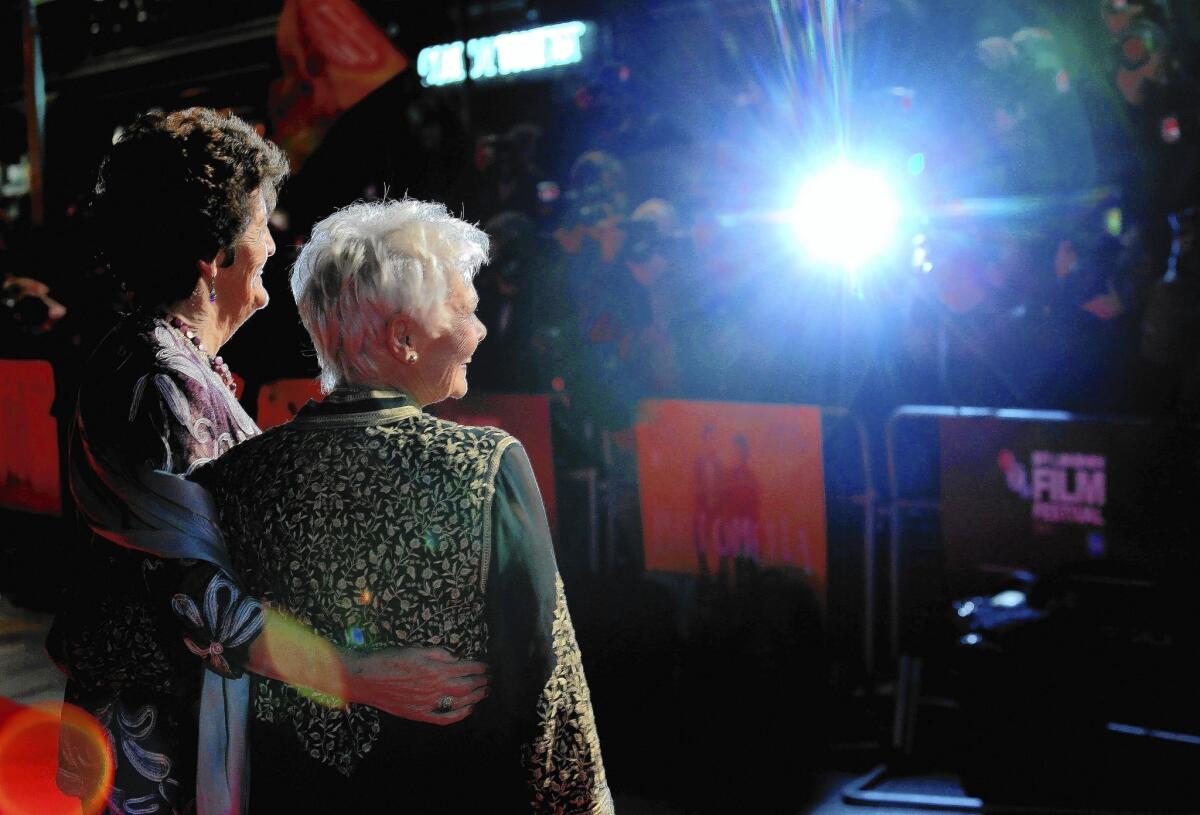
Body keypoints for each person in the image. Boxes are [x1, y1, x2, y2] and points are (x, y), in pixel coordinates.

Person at [47, 109, 487, 815]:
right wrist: (364, 676)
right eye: (260, 225)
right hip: (159, 748)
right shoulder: (158, 377)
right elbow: (199, 598)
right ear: (213, 257)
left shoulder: (173, 361)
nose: (273, 243)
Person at [194, 198, 613, 813]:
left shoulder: (232, 477)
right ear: (404, 337)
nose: (481, 331)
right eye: (466, 311)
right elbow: (548, 680)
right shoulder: (483, 463)